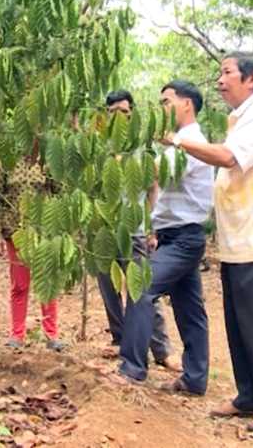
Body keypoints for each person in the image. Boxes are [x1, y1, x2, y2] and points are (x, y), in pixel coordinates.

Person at [161, 52, 253, 433]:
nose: (220, 80)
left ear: (250, 79)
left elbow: (227, 157)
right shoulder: (241, 117)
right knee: (238, 322)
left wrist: (178, 142)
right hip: (238, 238)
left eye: (227, 73)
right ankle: (249, 396)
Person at [111, 81, 213, 397]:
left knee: (141, 289)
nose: (162, 109)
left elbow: (151, 174)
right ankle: (195, 378)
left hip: (185, 239)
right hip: (175, 237)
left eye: (166, 101)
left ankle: (132, 369)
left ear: (187, 105)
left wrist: (119, 159)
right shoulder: (177, 144)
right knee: (190, 309)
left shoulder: (190, 142)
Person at [96, 89, 182, 373]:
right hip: (103, 231)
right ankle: (121, 340)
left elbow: (152, 186)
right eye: (112, 113)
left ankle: (161, 349)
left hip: (135, 228)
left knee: (142, 287)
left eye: (124, 113)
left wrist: (152, 226)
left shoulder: (141, 147)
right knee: (108, 288)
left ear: (132, 113)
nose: (118, 118)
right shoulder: (99, 146)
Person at [0, 143, 64, 352]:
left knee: (46, 283)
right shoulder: (7, 161)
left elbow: (59, 191)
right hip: (16, 231)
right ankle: (17, 334)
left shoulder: (47, 160)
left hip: (43, 231)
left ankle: (51, 334)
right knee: (20, 285)